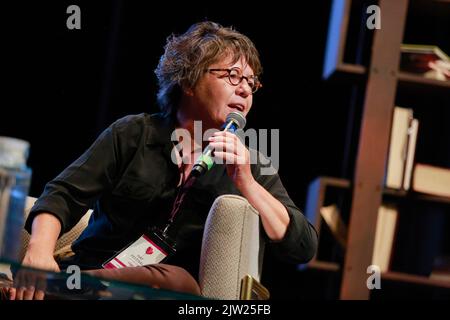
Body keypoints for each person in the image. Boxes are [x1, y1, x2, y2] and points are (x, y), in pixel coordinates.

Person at [4, 21, 318, 300]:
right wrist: (40, 252)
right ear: (189, 80)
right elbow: (63, 195)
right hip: (88, 269)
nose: (245, 90)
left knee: (177, 282)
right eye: (233, 75)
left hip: (163, 291)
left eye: (252, 82)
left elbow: (302, 246)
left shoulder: (252, 162)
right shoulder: (135, 133)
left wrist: (246, 182)